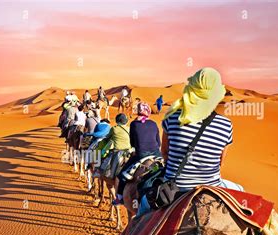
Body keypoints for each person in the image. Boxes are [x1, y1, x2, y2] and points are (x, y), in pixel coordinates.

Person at [137, 67, 243, 216]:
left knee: (142, 206)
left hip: (174, 190)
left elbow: (165, 152)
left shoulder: (172, 118)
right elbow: (221, 162)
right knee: (241, 191)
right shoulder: (225, 124)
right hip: (212, 188)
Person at [113, 102, 161, 205]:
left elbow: (132, 143)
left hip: (141, 155)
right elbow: (158, 142)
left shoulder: (134, 124)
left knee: (122, 175)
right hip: (157, 154)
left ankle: (120, 197)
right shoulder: (154, 123)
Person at [98, 113, 131, 178]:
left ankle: (100, 171)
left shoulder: (114, 129)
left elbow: (107, 138)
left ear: (117, 120)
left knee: (104, 158)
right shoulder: (129, 128)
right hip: (128, 151)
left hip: (117, 151)